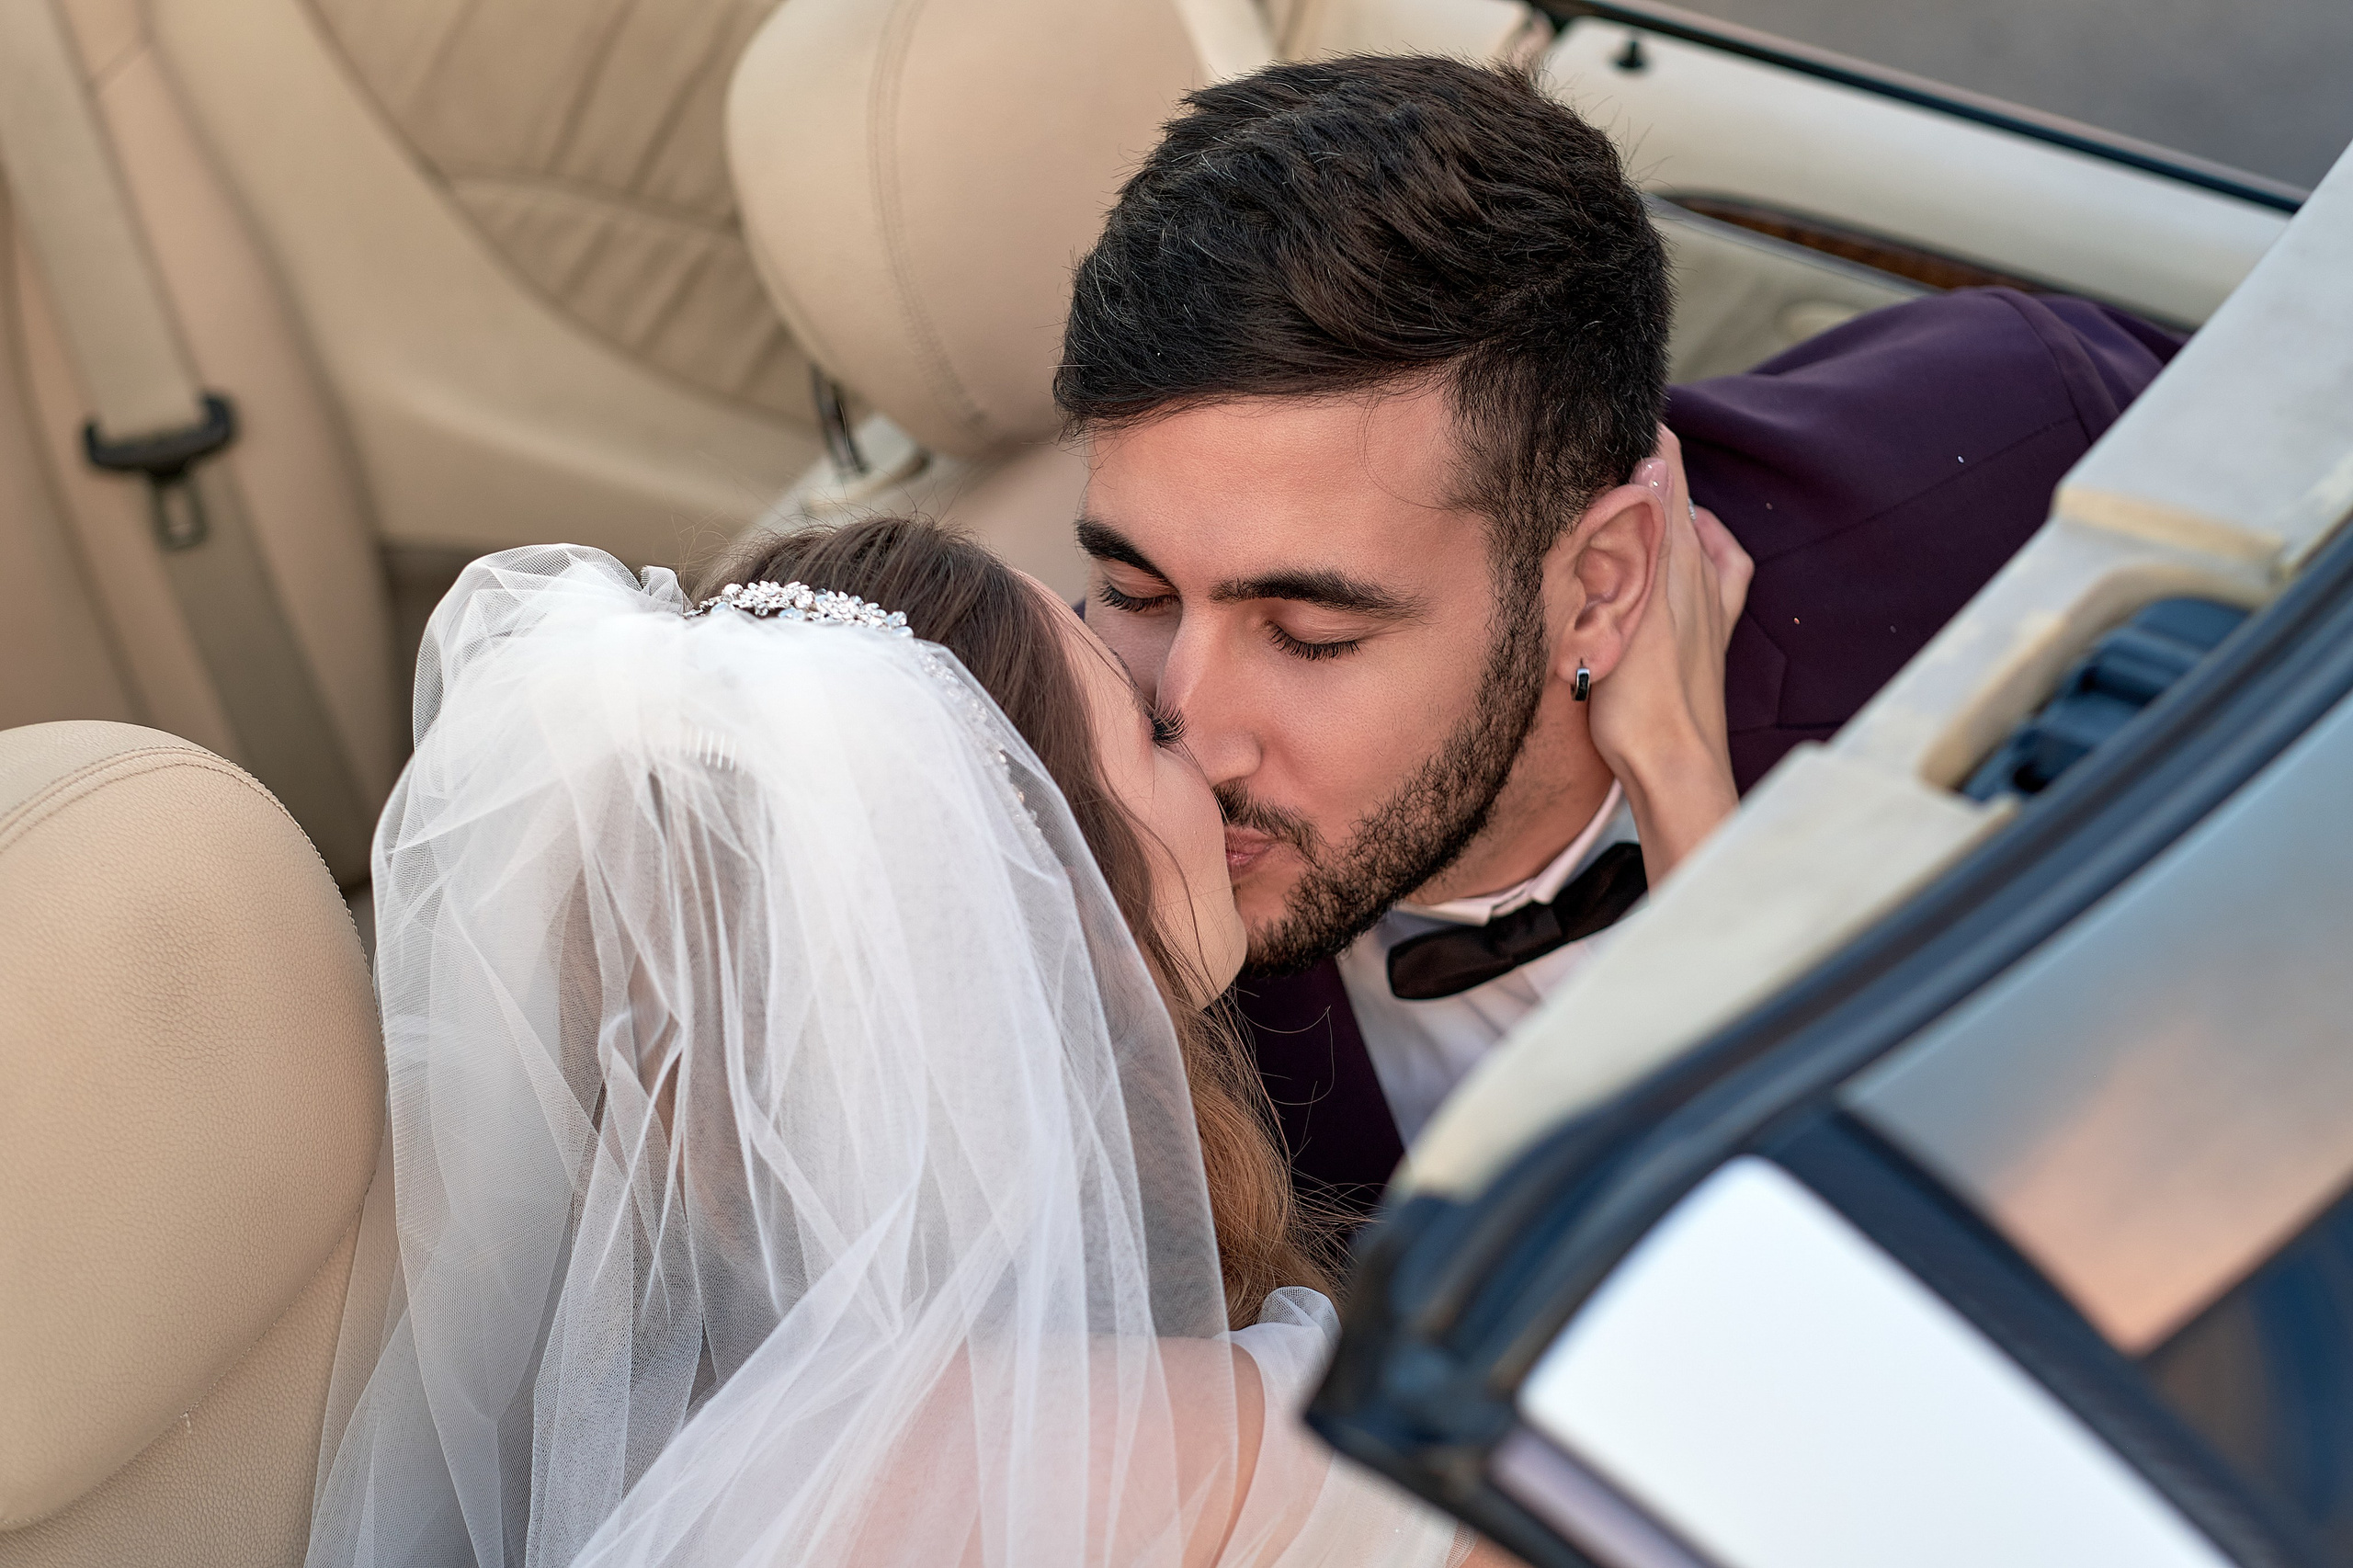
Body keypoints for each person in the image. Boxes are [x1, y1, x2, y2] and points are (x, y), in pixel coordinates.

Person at [1058, 55, 2181, 1217]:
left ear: (1600, 586)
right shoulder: (1041, 895)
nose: (1189, 735)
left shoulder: (2033, 461)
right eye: (1134, 591)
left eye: (1309, 631)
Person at [304, 519, 1506, 1568]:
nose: (1214, 757)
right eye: (1148, 731)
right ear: (1012, 896)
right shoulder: (1174, 1449)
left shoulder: (669, 1429)